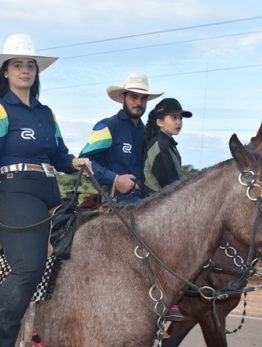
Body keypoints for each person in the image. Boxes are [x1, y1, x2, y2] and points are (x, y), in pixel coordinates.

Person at [0, 33, 91, 347]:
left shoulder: (45, 113)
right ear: (5, 72)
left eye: (30, 65)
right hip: (13, 191)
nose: (25, 70)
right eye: (17, 65)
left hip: (47, 191)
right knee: (29, 266)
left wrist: (75, 162)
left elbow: (59, 155)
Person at [143, 97, 193, 322]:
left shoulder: (168, 144)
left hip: (164, 208)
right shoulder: (160, 146)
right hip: (156, 211)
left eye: (180, 118)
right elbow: (171, 186)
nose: (179, 122)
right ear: (160, 121)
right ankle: (168, 299)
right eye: (174, 117)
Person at [80, 73, 163, 204]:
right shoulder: (107, 127)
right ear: (122, 98)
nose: (139, 103)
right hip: (115, 205)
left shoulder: (147, 133)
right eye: (134, 96)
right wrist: (115, 179)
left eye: (143, 98)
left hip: (148, 203)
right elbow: (84, 161)